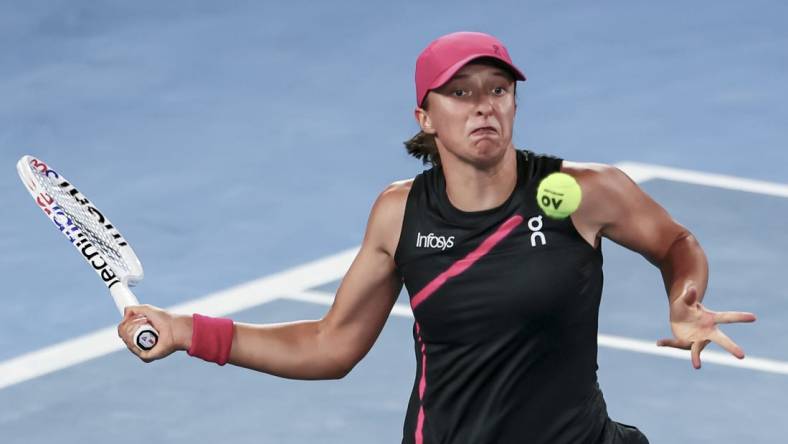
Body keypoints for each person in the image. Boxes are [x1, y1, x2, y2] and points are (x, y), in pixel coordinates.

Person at [118, 31, 757, 443]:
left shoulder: (583, 193)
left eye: (498, 90)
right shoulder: (400, 215)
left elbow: (676, 244)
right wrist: (186, 332)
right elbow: (328, 345)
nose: (484, 105)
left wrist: (685, 298)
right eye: (461, 93)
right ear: (425, 116)